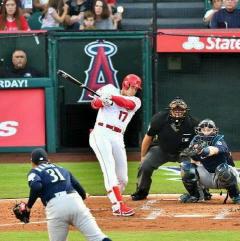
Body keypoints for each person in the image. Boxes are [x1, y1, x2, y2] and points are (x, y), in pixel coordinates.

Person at [25, 148, 112, 241]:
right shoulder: (63, 169)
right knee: (98, 237)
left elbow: (36, 187)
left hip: (56, 207)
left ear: (32, 162)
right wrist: (81, 196)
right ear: (48, 160)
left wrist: (29, 206)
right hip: (76, 202)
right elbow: (80, 191)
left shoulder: (34, 171)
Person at [89, 74, 142, 216]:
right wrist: (102, 101)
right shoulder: (108, 89)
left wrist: (111, 98)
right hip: (101, 132)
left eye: (136, 89)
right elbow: (94, 104)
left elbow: (127, 104)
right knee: (109, 169)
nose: (134, 91)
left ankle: (115, 196)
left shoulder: (136, 101)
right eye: (132, 87)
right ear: (125, 85)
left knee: (122, 178)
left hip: (118, 136)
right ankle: (118, 205)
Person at [131, 97, 200, 201]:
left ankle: (199, 192)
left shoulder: (193, 123)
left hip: (184, 151)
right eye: (175, 109)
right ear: (170, 110)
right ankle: (141, 192)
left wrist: (197, 158)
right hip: (161, 148)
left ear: (185, 111)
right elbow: (148, 137)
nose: (178, 112)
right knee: (145, 165)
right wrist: (142, 156)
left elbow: (199, 141)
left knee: (193, 168)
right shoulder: (159, 119)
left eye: (181, 110)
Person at [179, 119, 240, 204]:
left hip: (226, 175)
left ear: (214, 130)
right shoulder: (196, 139)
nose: (206, 132)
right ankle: (197, 195)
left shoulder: (218, 139)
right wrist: (191, 155)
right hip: (207, 174)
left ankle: (236, 196)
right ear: (199, 130)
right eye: (203, 130)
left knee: (222, 169)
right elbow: (194, 161)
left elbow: (215, 150)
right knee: (186, 167)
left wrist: (203, 151)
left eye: (209, 130)